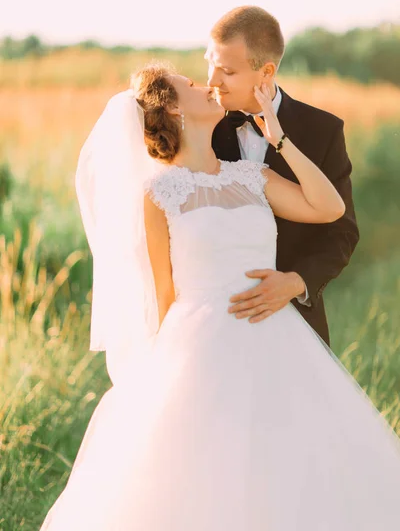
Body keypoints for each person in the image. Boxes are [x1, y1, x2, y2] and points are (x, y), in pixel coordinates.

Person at [39, 64, 400, 530]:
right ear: (171, 107)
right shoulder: (158, 194)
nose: (205, 84)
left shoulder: (252, 176)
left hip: (277, 339)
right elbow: (164, 292)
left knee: (289, 463)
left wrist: (280, 139)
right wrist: (164, 371)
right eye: (190, 85)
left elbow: (329, 208)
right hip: (199, 350)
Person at [210, 6, 360, 346]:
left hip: (296, 324)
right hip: (217, 321)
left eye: (226, 71)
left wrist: (295, 282)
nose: (212, 81)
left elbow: (342, 232)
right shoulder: (202, 125)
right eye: (210, 63)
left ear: (266, 72)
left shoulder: (323, 130)